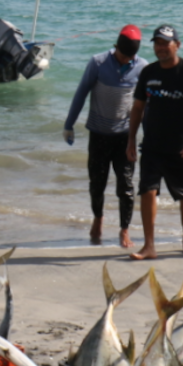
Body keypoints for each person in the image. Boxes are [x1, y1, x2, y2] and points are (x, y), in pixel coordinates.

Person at [126, 25, 183, 260]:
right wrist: (131, 139)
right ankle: (149, 246)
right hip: (152, 145)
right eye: (157, 43)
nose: (161, 48)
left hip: (182, 147)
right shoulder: (148, 73)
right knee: (147, 191)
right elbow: (138, 107)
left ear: (178, 45)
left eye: (166, 43)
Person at [63, 25, 148, 247]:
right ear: (115, 47)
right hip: (99, 135)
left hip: (125, 138)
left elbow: (144, 106)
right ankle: (98, 218)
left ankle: (124, 230)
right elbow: (81, 92)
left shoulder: (142, 67)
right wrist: (69, 124)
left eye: (128, 57)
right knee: (97, 183)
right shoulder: (98, 62)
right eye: (121, 55)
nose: (123, 60)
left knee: (126, 186)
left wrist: (147, 137)